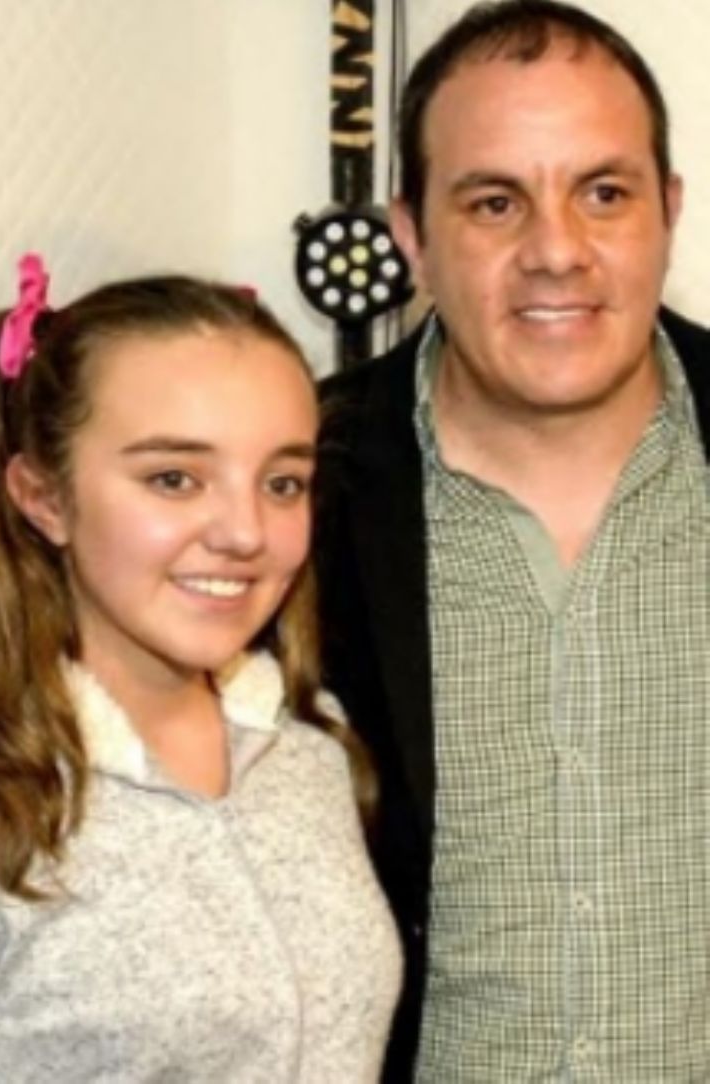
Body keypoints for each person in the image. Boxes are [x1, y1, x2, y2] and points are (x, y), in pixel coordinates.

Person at [315, 1, 710, 1080]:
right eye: (495, 202)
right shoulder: (294, 491)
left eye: (604, 193)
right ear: (412, 237)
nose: (556, 252)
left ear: (669, 211)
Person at [0, 255, 401, 1082]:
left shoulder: (309, 746)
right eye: (175, 479)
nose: (245, 533)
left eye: (282, 483)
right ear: (43, 496)